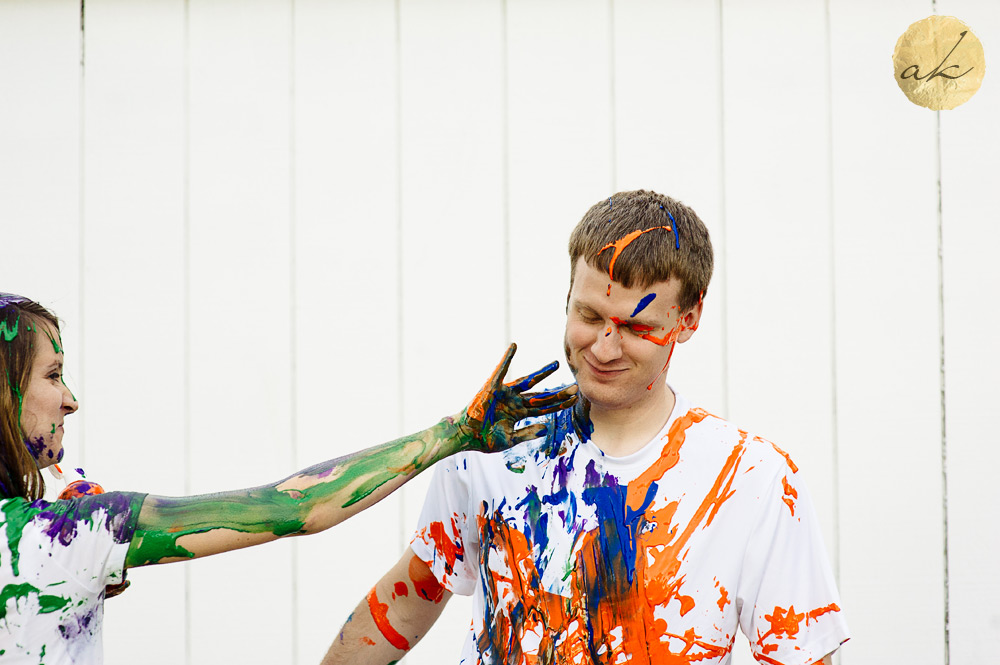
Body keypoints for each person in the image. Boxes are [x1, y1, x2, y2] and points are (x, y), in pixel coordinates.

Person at [320, 190, 850, 665]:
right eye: (590, 316)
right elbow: (412, 595)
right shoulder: (495, 446)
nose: (603, 347)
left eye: (637, 328)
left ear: (688, 319)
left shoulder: (752, 480)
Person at [0, 293, 577, 663]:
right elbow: (297, 507)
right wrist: (453, 433)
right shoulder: (57, 540)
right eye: (53, 376)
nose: (71, 400)